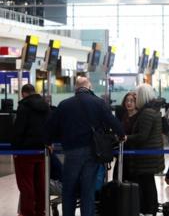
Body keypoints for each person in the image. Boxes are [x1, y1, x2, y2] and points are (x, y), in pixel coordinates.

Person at [47, 76, 125, 216]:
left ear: (76, 88)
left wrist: (48, 142)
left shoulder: (64, 104)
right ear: (89, 87)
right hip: (92, 152)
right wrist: (121, 134)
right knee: (87, 190)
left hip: (72, 152)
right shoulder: (98, 102)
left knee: (69, 190)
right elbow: (112, 121)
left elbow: (51, 126)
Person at [124, 84, 165, 216]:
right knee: (149, 184)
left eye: (136, 96)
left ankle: (148, 210)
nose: (134, 99)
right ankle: (150, 209)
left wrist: (126, 138)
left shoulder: (146, 113)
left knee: (146, 185)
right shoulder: (153, 110)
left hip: (146, 157)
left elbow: (142, 136)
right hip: (150, 156)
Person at [12, 84, 50, 216]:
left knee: (26, 185)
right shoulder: (46, 107)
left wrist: (15, 149)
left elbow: (19, 130)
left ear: (24, 94)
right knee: (40, 184)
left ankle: (28, 212)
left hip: (25, 152)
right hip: (41, 151)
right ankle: (41, 211)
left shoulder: (24, 107)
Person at [113, 92, 138, 180]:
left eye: (132, 101)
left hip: (133, 154)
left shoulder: (138, 117)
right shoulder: (123, 115)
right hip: (122, 151)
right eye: (127, 101)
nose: (129, 103)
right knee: (118, 176)